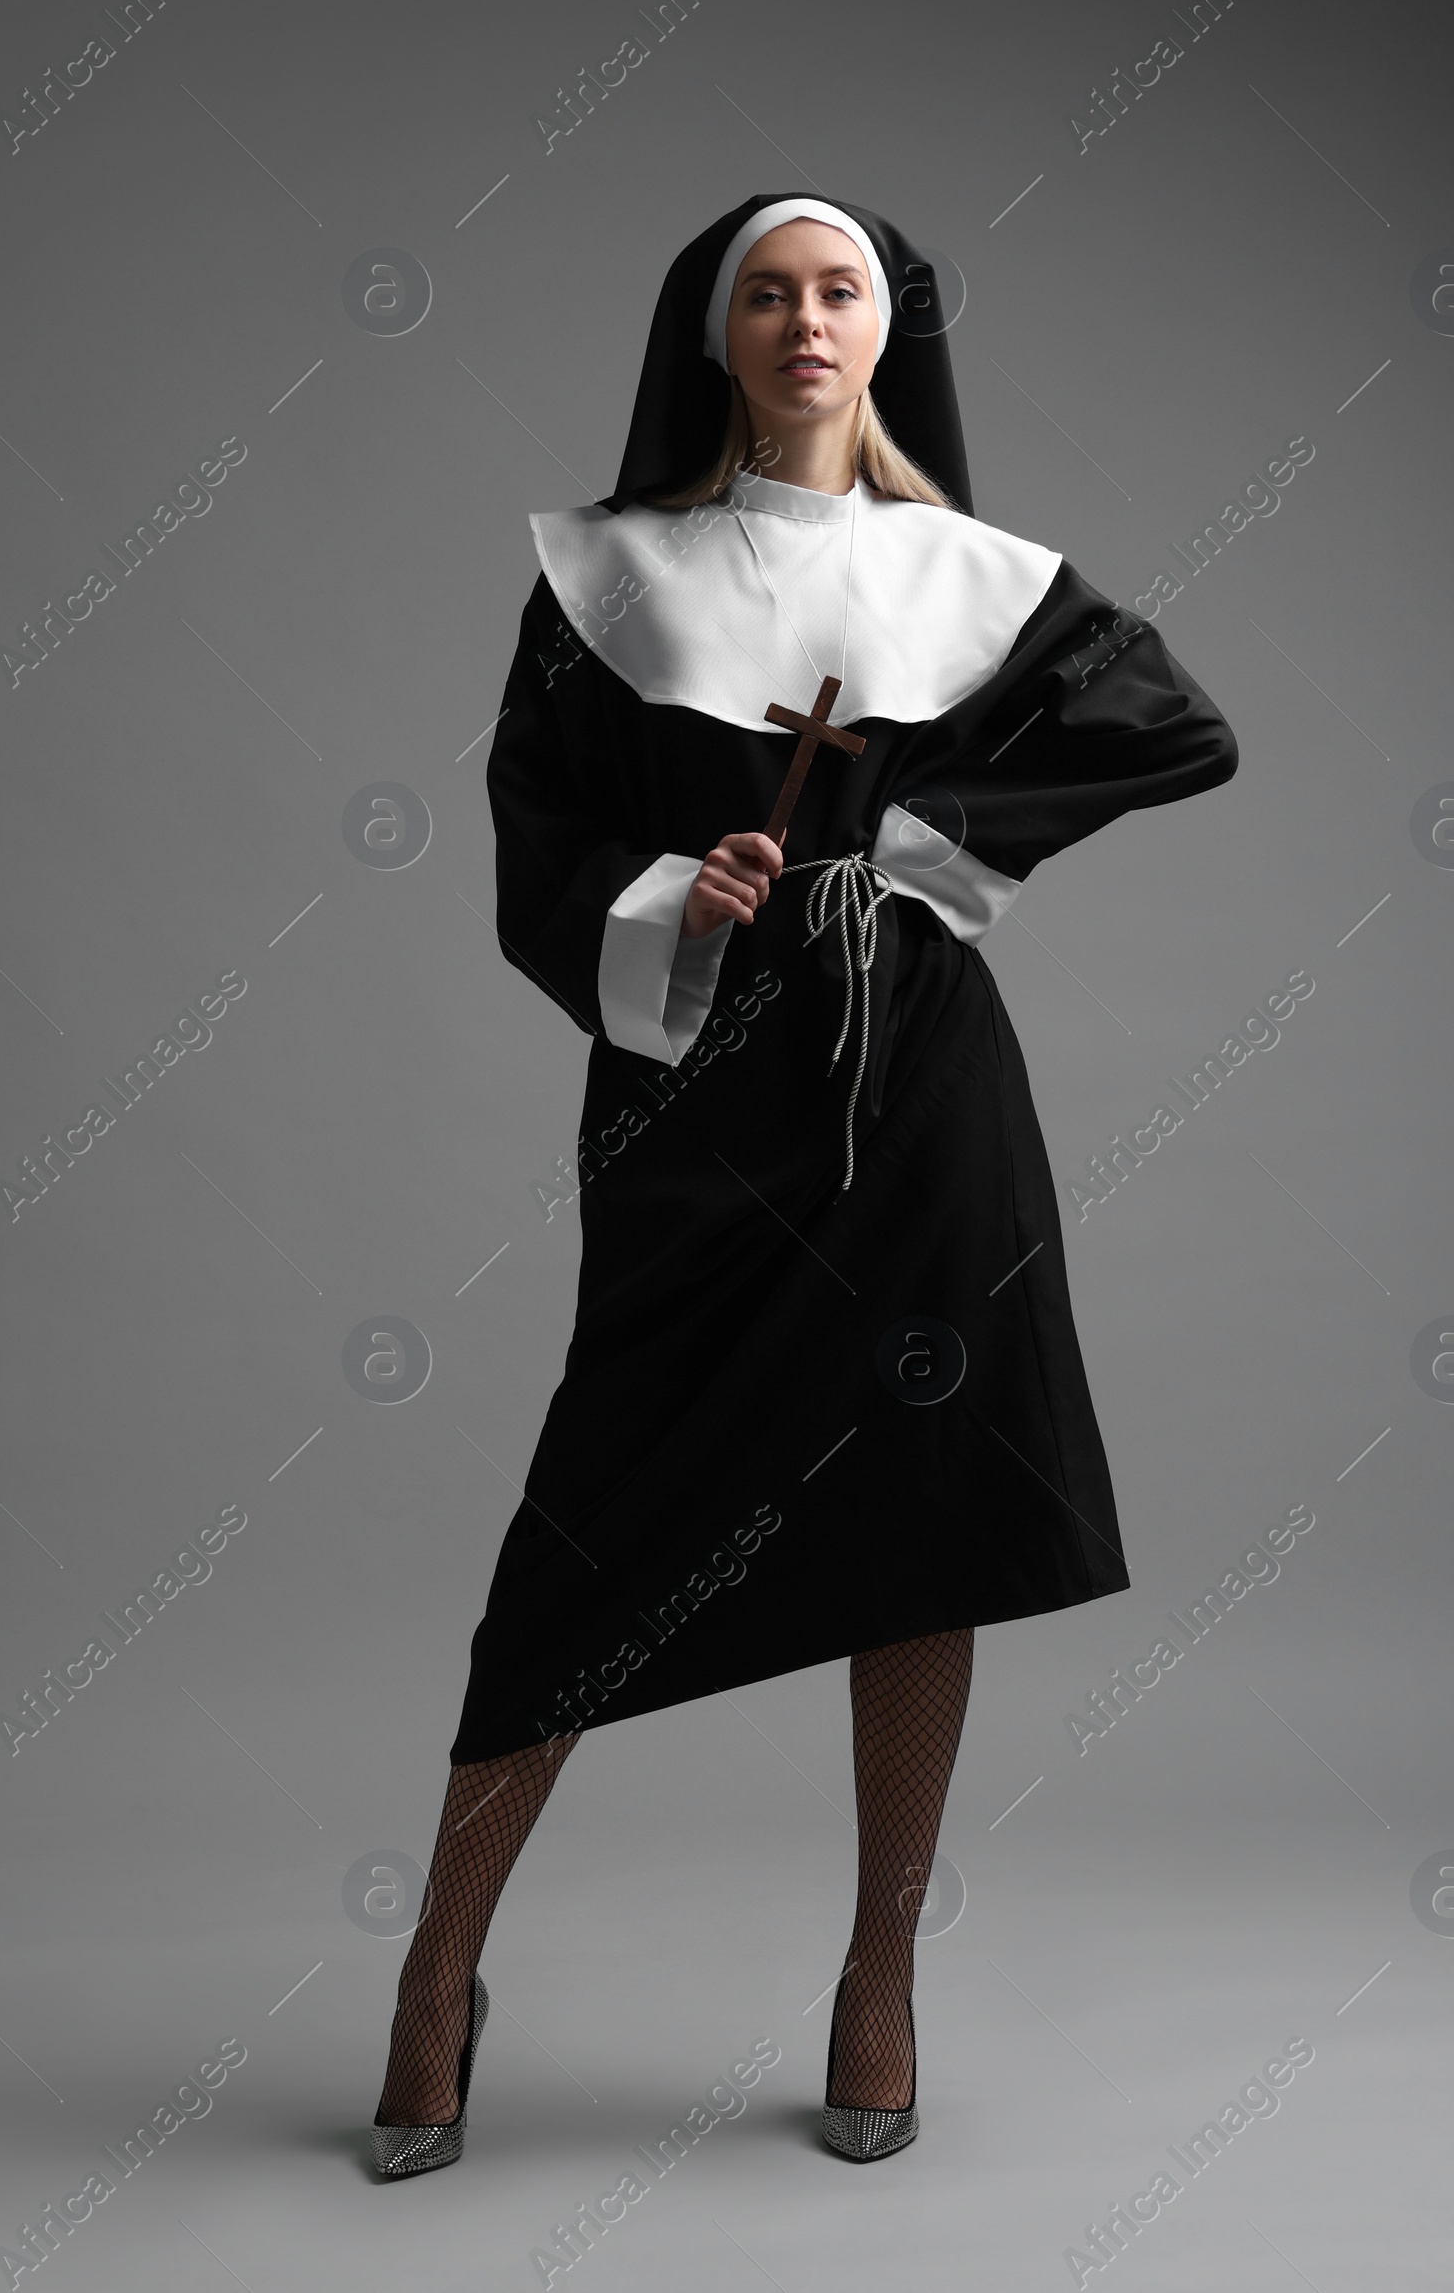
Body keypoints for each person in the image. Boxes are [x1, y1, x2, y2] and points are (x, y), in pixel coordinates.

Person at [370, 194, 1238, 2176]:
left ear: (886, 326)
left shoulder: (969, 573)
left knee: (915, 1508)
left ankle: (876, 1970)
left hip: (917, 1091)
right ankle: (435, 1968)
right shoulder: (605, 578)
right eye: (761, 291)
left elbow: (1168, 726)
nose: (799, 320)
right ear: (710, 332)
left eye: (833, 288)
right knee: (599, 1519)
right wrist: (678, 891)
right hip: (696, 1104)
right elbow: (534, 843)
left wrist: (926, 846)